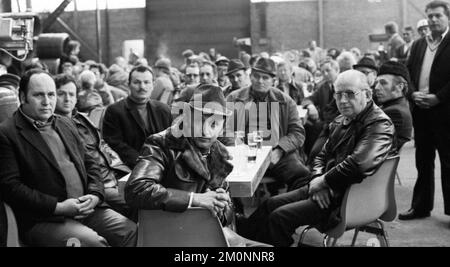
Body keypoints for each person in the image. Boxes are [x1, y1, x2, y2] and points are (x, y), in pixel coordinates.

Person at [236, 70, 395, 247]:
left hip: (349, 199)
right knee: (270, 204)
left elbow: (359, 164)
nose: (342, 100)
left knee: (278, 217)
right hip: (332, 188)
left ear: (367, 94)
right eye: (338, 94)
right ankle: (244, 242)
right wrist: (317, 181)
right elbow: (320, 156)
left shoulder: (379, 124)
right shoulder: (341, 121)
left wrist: (324, 181)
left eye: (350, 94)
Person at [0, 69, 137, 246]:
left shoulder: (66, 123)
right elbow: (11, 188)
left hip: (88, 208)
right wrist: (59, 207)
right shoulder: (7, 134)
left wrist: (95, 194)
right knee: (91, 243)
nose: (47, 102)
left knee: (132, 232)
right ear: (22, 96)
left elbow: (91, 164)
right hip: (46, 218)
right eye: (38, 95)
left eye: (51, 94)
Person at [125, 84, 269, 247]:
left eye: (214, 124)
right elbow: (136, 189)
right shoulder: (163, 143)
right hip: (168, 233)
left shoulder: (219, 152)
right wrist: (195, 200)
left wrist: (221, 204)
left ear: (223, 127)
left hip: (207, 230)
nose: (206, 132)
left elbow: (226, 216)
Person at [225, 57, 310, 192]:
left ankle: (284, 207)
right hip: (243, 153)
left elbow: (297, 133)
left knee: (302, 176)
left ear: (273, 81)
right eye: (256, 76)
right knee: (219, 176)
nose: (260, 81)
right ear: (250, 76)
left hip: (275, 153)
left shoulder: (285, 101)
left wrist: (280, 150)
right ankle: (236, 211)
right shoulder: (234, 98)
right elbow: (224, 128)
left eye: (265, 78)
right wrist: (236, 144)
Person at [399, 0, 450, 221]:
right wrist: (412, 93)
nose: (433, 19)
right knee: (423, 161)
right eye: (430, 16)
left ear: (447, 16)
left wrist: (438, 97)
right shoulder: (419, 44)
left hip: (445, 112)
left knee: (449, 163)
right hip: (421, 112)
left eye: (438, 15)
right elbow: (407, 74)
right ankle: (420, 207)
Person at [54, 74, 132, 217]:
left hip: (115, 173)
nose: (67, 99)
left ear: (77, 98)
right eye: (61, 94)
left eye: (71, 94)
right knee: (138, 201)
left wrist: (124, 170)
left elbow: (102, 145)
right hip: (99, 184)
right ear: (53, 96)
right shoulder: (54, 126)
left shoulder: (83, 118)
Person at [103, 65, 173, 169]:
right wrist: (143, 162)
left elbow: (171, 141)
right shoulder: (114, 111)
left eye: (146, 82)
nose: (142, 87)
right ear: (128, 85)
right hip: (130, 168)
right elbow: (115, 144)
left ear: (153, 85)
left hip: (163, 166)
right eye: (137, 82)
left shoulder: (163, 110)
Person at [374, 61, 413, 152]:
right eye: (376, 83)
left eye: (383, 83)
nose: (376, 87)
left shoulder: (394, 112)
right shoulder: (399, 105)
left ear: (400, 87)